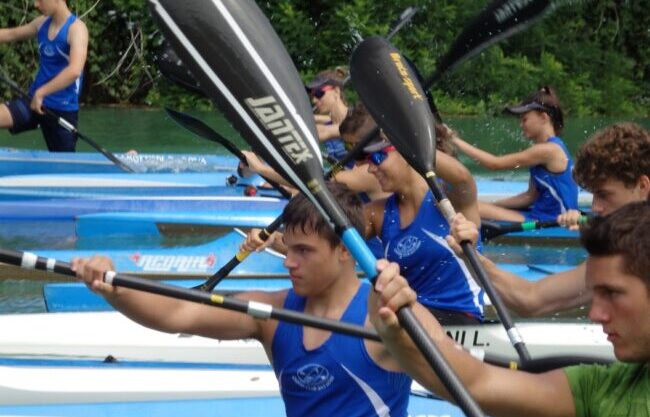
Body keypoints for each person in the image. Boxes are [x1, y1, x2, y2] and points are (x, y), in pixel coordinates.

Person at [73, 182, 415, 417]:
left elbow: (460, 379)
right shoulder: (272, 315)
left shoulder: (383, 318)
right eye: (288, 248)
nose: (288, 261)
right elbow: (178, 312)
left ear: (344, 250)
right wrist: (116, 286)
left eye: (303, 251)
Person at [369, 200, 650, 417]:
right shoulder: (601, 387)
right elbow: (478, 383)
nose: (594, 314)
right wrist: (398, 329)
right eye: (595, 295)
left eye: (612, 293)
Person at [448, 122, 650, 317]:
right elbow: (531, 299)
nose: (595, 207)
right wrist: (471, 256)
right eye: (594, 195)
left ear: (642, 186)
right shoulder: (617, 253)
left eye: (605, 195)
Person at [360, 130, 485, 324]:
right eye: (368, 161)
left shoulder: (448, 200)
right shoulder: (378, 213)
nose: (370, 169)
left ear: (407, 155)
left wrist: (407, 138)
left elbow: (462, 177)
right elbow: (334, 233)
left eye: (378, 157)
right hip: (410, 316)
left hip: (459, 316)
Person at [453, 86, 579, 222]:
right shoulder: (547, 149)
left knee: (462, 206)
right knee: (476, 207)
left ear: (543, 118)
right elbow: (529, 197)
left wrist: (455, 141)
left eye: (524, 119)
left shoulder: (547, 150)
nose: (521, 125)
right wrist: (493, 207)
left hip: (552, 221)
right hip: (543, 216)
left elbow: (495, 164)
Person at [0, 0, 87, 152]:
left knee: (63, 168)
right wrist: (38, 95)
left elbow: (74, 70)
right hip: (33, 102)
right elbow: (10, 34)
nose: (36, 5)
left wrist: (42, 92)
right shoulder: (41, 23)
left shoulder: (77, 29)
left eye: (40, 0)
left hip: (61, 110)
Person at [306, 68, 350, 163]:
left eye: (318, 93)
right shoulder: (327, 125)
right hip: (337, 174)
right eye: (312, 96)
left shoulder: (360, 119)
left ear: (336, 92)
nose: (314, 100)